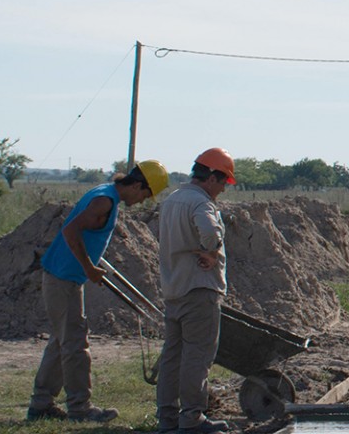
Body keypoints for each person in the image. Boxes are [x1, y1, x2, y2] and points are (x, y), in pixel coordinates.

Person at [27, 160, 169, 423]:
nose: (142, 201)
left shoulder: (105, 193)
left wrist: (91, 265)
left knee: (62, 342)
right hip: (63, 277)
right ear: (137, 185)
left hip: (64, 276)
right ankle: (80, 408)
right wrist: (88, 267)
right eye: (145, 195)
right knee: (75, 344)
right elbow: (70, 231)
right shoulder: (104, 201)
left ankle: (41, 404)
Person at [156, 148, 235, 434]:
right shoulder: (202, 204)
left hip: (174, 288)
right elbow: (211, 233)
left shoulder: (172, 199)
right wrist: (211, 253)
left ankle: (167, 419)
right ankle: (191, 418)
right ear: (212, 177)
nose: (223, 190)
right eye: (223, 182)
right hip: (200, 290)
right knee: (197, 356)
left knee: (172, 356)